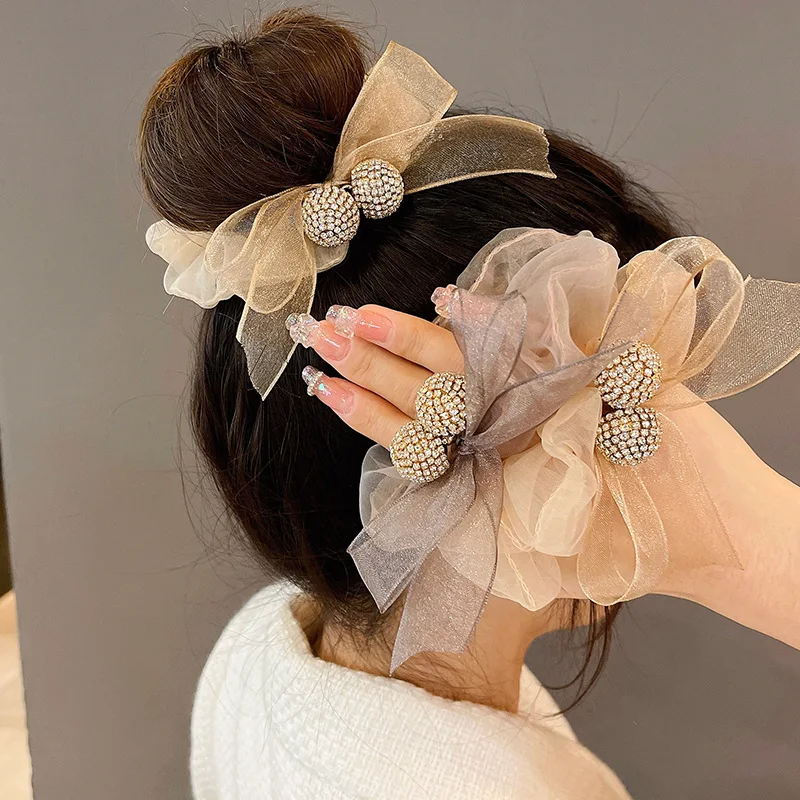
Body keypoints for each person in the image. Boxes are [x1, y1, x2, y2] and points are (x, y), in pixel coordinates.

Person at [138, 10, 800, 799]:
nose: (675, 409)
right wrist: (750, 543)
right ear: (545, 450)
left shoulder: (256, 655)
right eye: (633, 371)